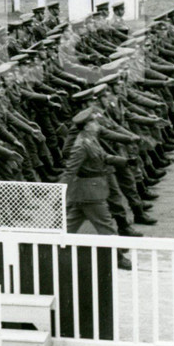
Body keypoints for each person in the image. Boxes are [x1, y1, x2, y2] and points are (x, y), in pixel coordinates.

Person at [59, 106, 133, 270]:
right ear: (86, 126)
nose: (97, 124)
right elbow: (70, 170)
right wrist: (57, 193)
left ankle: (52, 247)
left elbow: (102, 156)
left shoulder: (91, 138)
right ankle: (118, 257)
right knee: (106, 226)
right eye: (93, 122)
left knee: (69, 225)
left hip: (88, 191)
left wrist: (123, 161)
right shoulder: (81, 145)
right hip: (89, 193)